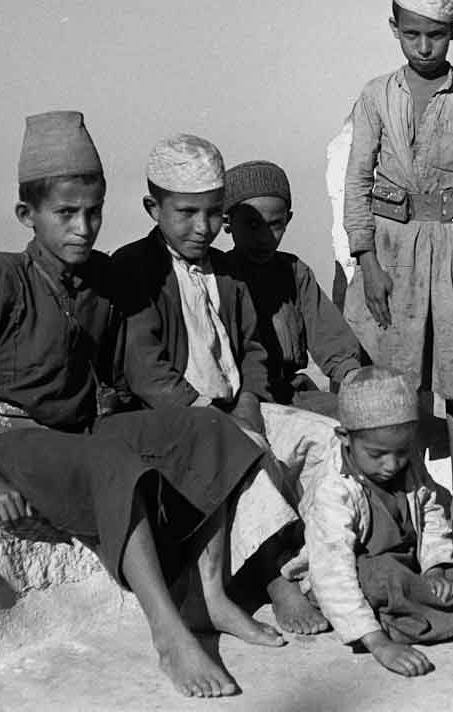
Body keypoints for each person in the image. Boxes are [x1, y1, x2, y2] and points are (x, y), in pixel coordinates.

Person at [0, 111, 284, 699]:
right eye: (65, 214)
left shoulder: (102, 279)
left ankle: (210, 595)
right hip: (19, 441)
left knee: (209, 431)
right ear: (27, 215)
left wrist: (179, 416)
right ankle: (168, 632)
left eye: (93, 212)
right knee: (117, 465)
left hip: (87, 430)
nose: (83, 227)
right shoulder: (1, 278)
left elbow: (134, 366)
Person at [112, 136, 338, 636]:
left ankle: (323, 565)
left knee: (327, 440)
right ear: (153, 208)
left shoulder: (228, 273)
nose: (203, 227)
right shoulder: (135, 269)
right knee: (243, 453)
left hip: (236, 406)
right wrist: (211, 415)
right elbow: (145, 368)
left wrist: (251, 399)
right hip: (177, 419)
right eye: (187, 213)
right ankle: (278, 578)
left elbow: (253, 346)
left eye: (213, 213)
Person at [341, 0, 453, 539]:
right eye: (411, 34)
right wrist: (367, 261)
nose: (423, 46)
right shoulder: (375, 96)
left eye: (435, 35)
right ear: (394, 28)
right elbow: (357, 181)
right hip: (394, 249)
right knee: (400, 377)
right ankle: (407, 500)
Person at [305, 367, 453, 677]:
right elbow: (331, 569)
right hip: (362, 576)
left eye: (402, 452)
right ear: (345, 438)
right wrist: (379, 645)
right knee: (384, 574)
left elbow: (431, 516)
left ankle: (408, 617)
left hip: (407, 572)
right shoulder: (333, 488)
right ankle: (384, 626)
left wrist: (435, 570)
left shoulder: (410, 466)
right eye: (377, 454)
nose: (391, 464)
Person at [221, 159, 363, 411]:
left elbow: (331, 340)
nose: (264, 237)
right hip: (237, 400)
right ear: (227, 223)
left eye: (275, 224)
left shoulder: (295, 273)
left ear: (288, 219)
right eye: (252, 225)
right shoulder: (217, 276)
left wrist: (354, 377)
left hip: (291, 394)